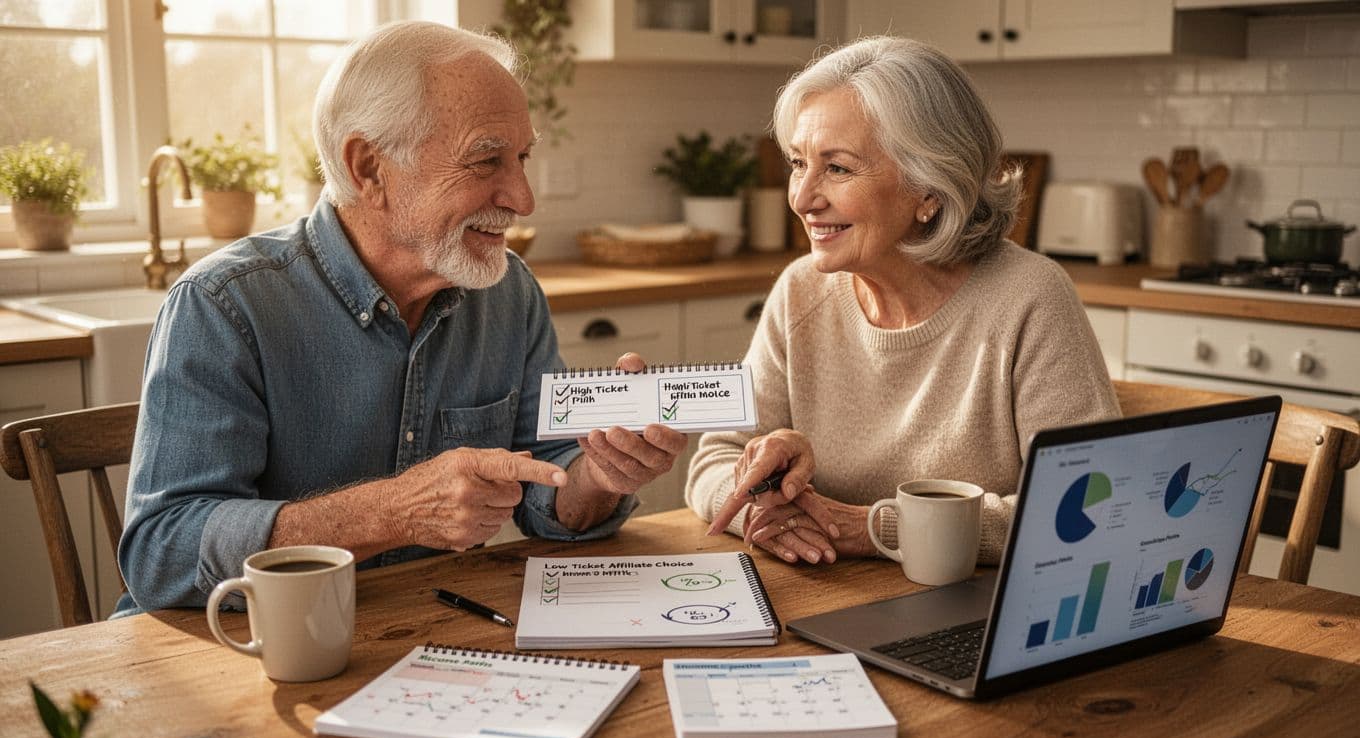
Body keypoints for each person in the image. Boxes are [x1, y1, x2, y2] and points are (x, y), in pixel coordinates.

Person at [117, 22, 685, 614]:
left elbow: (547, 484)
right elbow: (163, 553)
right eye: (487, 160)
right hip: (235, 650)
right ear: (368, 168)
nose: (523, 198)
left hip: (416, 632)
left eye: (521, 157)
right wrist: (395, 510)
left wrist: (599, 473)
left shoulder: (508, 291)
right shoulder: (224, 304)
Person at [687, 36, 1119, 567]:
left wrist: (872, 528)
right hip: (826, 597)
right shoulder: (800, 290)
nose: (802, 198)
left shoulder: (1030, 297)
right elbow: (714, 459)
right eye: (799, 163)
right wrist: (761, 503)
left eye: (838, 168)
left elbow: (1088, 504)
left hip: (974, 615)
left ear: (929, 189)